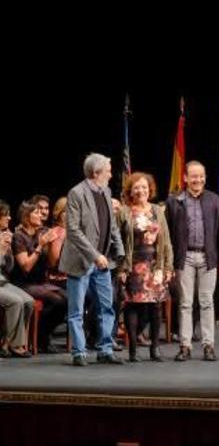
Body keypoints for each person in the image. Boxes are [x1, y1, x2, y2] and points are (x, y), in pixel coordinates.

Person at [60, 153, 126, 366]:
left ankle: (105, 349)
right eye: (107, 169)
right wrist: (94, 255)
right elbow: (73, 230)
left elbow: (112, 225)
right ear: (96, 173)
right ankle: (79, 352)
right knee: (77, 310)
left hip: (103, 260)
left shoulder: (106, 191)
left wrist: (120, 250)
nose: (110, 173)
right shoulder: (77, 193)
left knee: (107, 307)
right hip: (81, 260)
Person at [165, 161, 219, 362]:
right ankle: (185, 346)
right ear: (185, 178)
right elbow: (167, 235)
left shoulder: (215, 200)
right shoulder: (174, 201)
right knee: (185, 303)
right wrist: (169, 263)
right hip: (184, 258)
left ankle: (208, 345)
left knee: (207, 302)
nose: (198, 180)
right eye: (193, 176)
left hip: (208, 257)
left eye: (201, 176)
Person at [117, 172, 173, 362]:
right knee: (132, 306)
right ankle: (132, 349)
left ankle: (155, 348)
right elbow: (117, 241)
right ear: (130, 191)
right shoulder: (124, 212)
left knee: (155, 306)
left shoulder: (157, 210)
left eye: (144, 187)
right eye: (137, 187)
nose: (141, 190)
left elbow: (166, 241)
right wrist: (121, 268)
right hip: (132, 265)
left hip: (155, 265)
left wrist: (167, 267)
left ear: (150, 189)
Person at [13, 200, 68, 354]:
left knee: (68, 299)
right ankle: (41, 337)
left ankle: (42, 333)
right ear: (26, 216)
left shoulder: (42, 231)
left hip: (41, 283)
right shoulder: (19, 236)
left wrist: (50, 244)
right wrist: (40, 246)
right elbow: (26, 267)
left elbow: (51, 263)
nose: (41, 215)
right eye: (36, 212)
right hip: (23, 283)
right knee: (57, 301)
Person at [0, 199, 34, 358]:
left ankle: (9, 342)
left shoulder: (3, 235)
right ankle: (9, 344)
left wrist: (8, 251)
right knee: (15, 301)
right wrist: (1, 251)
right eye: (5, 215)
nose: (9, 218)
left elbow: (9, 268)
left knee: (28, 301)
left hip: (3, 281)